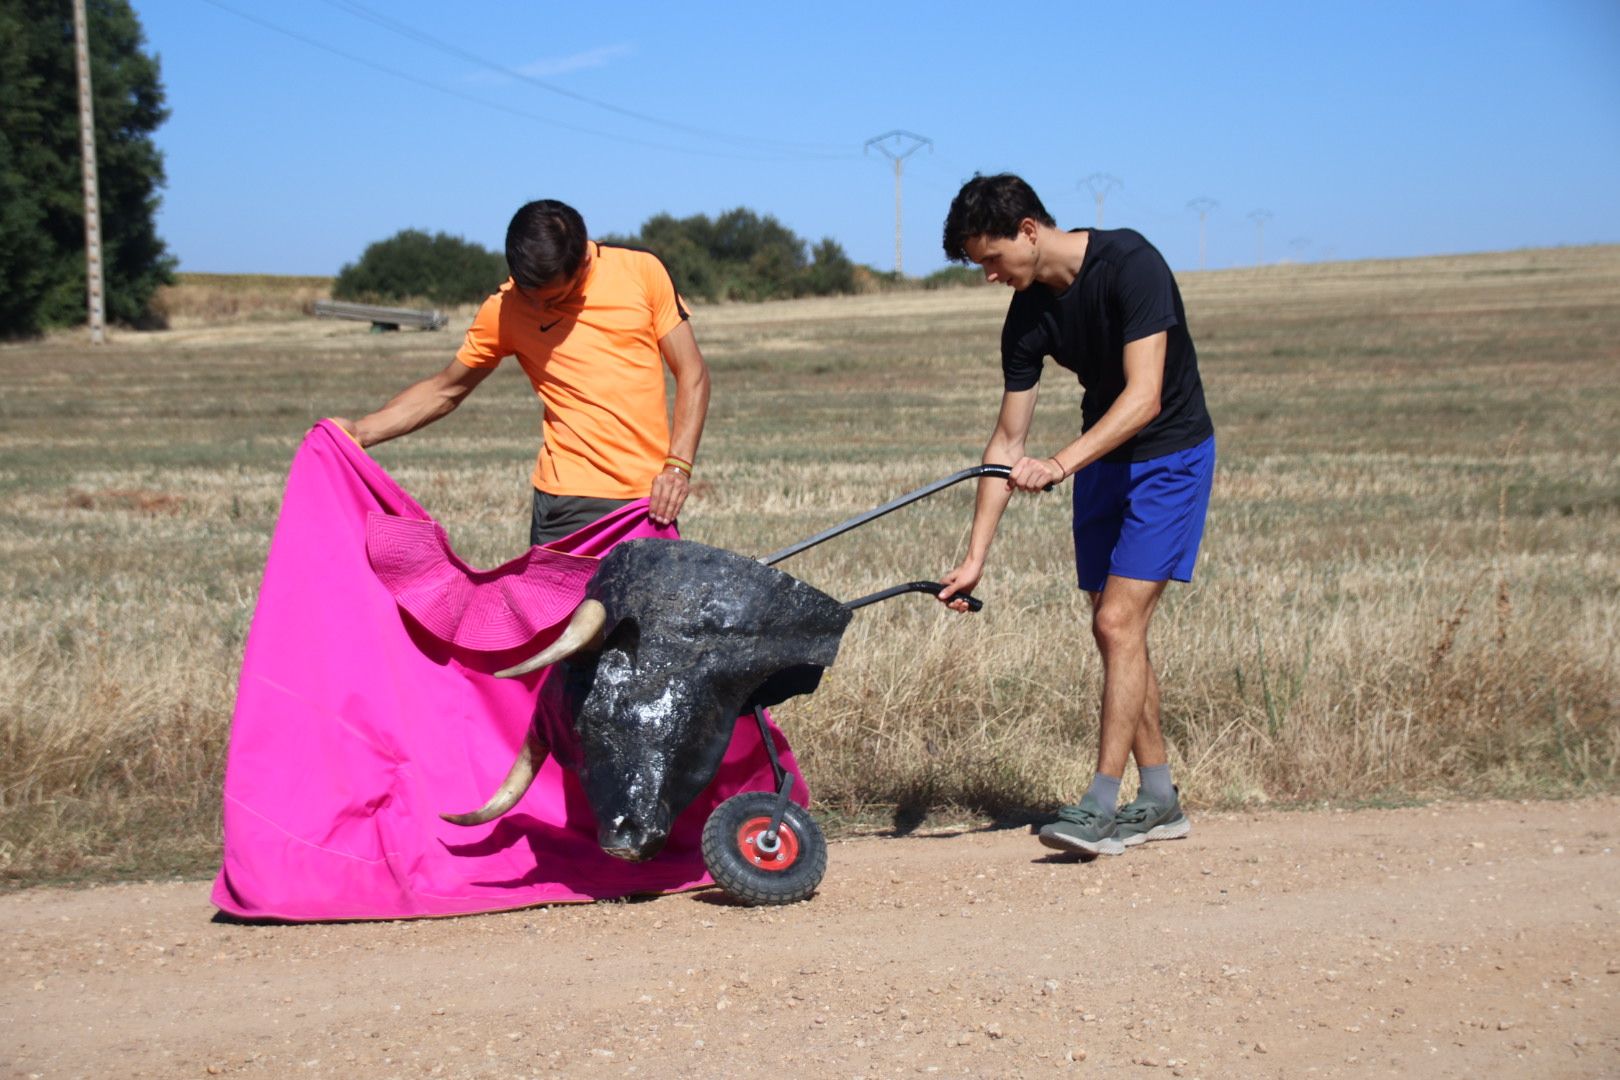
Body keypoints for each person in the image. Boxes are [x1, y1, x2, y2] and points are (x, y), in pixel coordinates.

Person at [936, 174, 1215, 857]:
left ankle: (1099, 804)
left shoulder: (1131, 264)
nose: (990, 276)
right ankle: (1159, 799)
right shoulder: (1027, 316)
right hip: (1104, 464)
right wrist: (976, 557)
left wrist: (1061, 463)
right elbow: (1006, 445)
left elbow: (1146, 396)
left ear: (1029, 230)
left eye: (992, 259)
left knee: (1117, 622)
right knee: (1114, 632)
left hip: (1169, 456)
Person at [333, 198, 710, 543]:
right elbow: (445, 390)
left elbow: (692, 374)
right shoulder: (507, 307)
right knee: (557, 620)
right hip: (564, 505)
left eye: (553, 298)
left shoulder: (641, 272)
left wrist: (677, 468)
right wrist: (361, 432)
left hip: (644, 504)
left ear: (582, 263)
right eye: (529, 294)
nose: (538, 306)